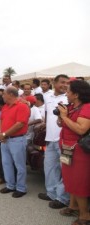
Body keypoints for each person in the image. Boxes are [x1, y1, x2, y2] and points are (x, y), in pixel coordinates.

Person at [57, 80, 90, 224]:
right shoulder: (71, 107)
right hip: (67, 148)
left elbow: (81, 129)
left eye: (68, 91)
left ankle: (85, 215)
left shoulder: (87, 107)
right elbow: (61, 124)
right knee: (69, 179)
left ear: (76, 94)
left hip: (79, 151)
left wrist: (64, 117)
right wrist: (61, 117)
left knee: (79, 182)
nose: (66, 93)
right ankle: (73, 206)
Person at [38, 74, 70, 209]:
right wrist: (45, 123)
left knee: (66, 171)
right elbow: (47, 113)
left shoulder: (69, 98)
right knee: (50, 168)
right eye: (62, 82)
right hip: (50, 139)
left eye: (67, 83)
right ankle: (51, 193)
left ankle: (62, 198)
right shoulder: (47, 97)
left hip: (64, 141)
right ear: (54, 83)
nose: (65, 85)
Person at [0, 86, 30, 198]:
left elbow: (20, 124)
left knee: (19, 165)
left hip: (17, 140)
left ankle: (21, 188)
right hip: (5, 140)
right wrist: (1, 133)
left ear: (10, 94)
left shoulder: (22, 106)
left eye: (4, 94)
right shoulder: (5, 106)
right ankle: (10, 185)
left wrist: (5, 134)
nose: (2, 96)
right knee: (6, 164)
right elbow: (1, 119)